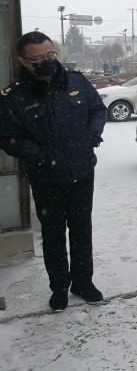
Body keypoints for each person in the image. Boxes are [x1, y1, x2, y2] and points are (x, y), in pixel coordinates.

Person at [0, 32, 106, 311]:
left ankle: (83, 282)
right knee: (53, 234)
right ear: (23, 61)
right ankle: (59, 287)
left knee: (82, 230)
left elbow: (98, 110)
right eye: (38, 59)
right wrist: (41, 156)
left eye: (50, 55)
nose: (46, 62)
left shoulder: (77, 82)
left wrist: (91, 136)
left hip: (82, 171)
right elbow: (8, 137)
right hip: (47, 178)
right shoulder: (14, 97)